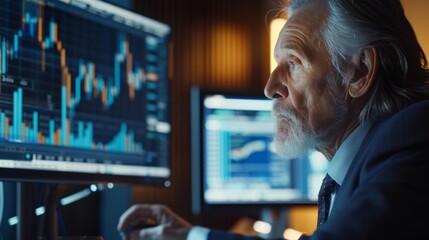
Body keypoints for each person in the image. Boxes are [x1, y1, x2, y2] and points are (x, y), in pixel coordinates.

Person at [117, 0, 429, 239]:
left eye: (293, 62)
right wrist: (191, 235)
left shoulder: (413, 136)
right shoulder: (374, 153)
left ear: (359, 72)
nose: (270, 88)